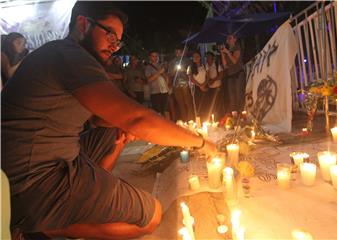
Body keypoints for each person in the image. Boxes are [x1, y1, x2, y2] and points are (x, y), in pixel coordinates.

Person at [1, 2, 217, 240]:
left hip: (52, 161)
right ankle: (46, 225)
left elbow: (103, 118)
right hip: (33, 183)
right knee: (152, 215)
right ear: (83, 24)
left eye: (118, 40)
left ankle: (82, 197)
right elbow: (137, 118)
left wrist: (121, 128)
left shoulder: (63, 54)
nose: (114, 46)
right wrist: (201, 142)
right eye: (110, 34)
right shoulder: (68, 54)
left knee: (114, 128)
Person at [220, 33, 246, 113]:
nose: (228, 40)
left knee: (239, 96)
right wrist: (222, 53)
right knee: (232, 98)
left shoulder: (237, 47)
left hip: (238, 73)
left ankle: (241, 115)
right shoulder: (228, 50)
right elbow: (225, 66)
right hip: (230, 75)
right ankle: (234, 116)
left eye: (230, 38)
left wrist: (227, 52)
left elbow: (235, 61)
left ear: (235, 39)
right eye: (227, 38)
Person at [168, 46, 194, 122]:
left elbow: (191, 72)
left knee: (188, 103)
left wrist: (185, 70)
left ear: (183, 52)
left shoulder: (188, 61)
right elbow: (170, 74)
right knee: (180, 104)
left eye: (180, 52)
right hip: (176, 85)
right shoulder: (172, 62)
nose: (178, 54)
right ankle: (185, 120)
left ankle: (191, 120)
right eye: (176, 52)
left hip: (186, 84)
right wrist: (174, 71)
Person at [144, 50, 169, 117]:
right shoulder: (148, 67)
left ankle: (168, 125)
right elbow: (149, 80)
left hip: (164, 90)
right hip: (155, 91)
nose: (155, 58)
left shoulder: (161, 65)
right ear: (150, 57)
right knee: (158, 112)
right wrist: (159, 72)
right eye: (153, 56)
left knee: (166, 110)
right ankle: (160, 126)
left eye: (156, 56)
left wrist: (165, 77)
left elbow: (166, 78)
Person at [187, 51, 208, 121]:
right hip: (196, 88)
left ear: (200, 57)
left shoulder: (204, 65)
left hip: (205, 86)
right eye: (194, 57)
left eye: (197, 56)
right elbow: (191, 78)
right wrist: (199, 85)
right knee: (198, 105)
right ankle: (199, 121)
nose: (196, 58)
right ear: (192, 58)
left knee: (206, 104)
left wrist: (204, 84)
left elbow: (208, 76)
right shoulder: (190, 67)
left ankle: (206, 120)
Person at [205, 51, 225, 121]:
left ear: (212, 58)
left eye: (209, 57)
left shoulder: (216, 65)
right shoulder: (206, 66)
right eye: (206, 57)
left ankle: (220, 118)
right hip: (210, 88)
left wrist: (213, 80)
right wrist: (208, 81)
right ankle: (214, 119)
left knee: (218, 104)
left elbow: (221, 75)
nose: (208, 59)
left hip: (217, 87)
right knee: (212, 105)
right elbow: (207, 76)